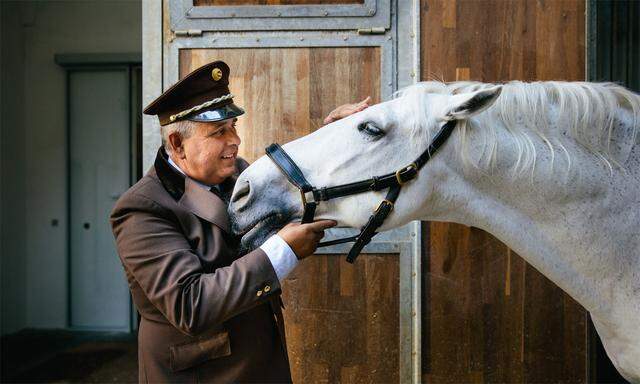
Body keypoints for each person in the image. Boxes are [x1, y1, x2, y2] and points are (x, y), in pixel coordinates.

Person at [110, 60, 370, 383]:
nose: (235, 140)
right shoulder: (142, 208)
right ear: (177, 145)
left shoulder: (236, 176)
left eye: (233, 126)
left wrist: (333, 136)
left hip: (258, 363)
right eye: (219, 132)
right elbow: (190, 304)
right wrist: (282, 252)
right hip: (204, 374)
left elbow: (295, 186)